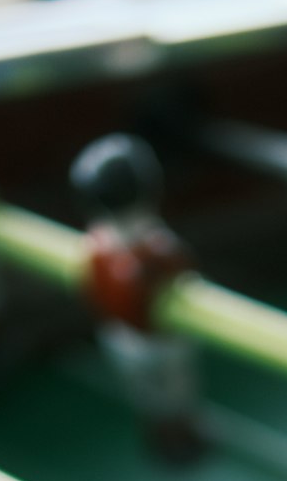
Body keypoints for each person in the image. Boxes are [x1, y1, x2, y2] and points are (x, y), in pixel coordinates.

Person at [70, 133, 202, 462]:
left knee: (146, 393)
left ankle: (163, 436)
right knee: (175, 392)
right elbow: (185, 275)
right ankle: (181, 439)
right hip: (160, 341)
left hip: (119, 338)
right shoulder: (159, 252)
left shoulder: (94, 245)